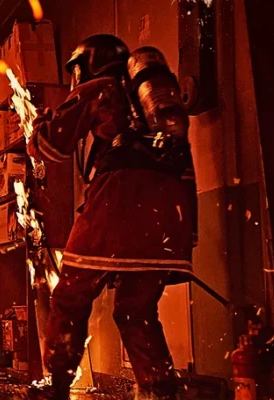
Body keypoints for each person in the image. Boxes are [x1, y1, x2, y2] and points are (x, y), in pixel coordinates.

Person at [26, 35, 198, 400]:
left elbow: (50, 147)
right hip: (169, 217)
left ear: (87, 64)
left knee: (70, 296)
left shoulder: (100, 88)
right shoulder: (157, 113)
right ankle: (160, 390)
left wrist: (39, 124)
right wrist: (187, 235)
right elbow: (183, 167)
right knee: (137, 310)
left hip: (118, 203)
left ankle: (57, 384)